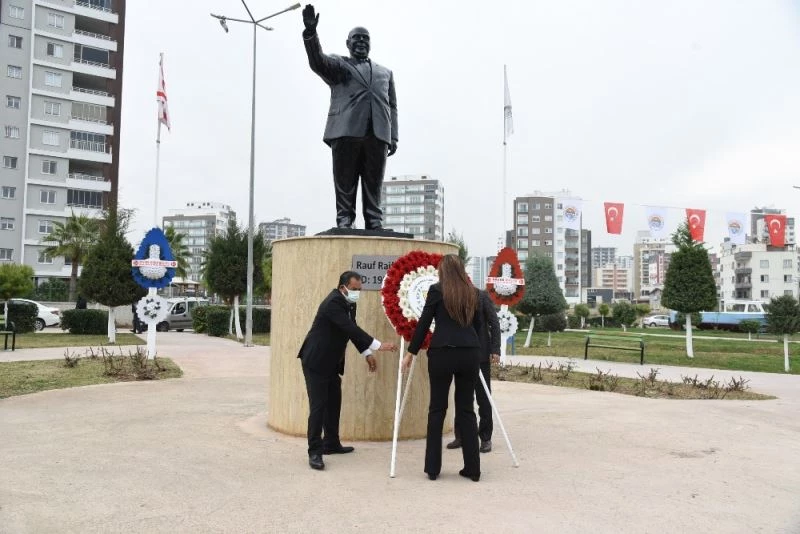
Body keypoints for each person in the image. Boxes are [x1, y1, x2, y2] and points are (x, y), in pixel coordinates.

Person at [301, 4, 398, 230]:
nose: (361, 41)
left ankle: (374, 221)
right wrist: (311, 34)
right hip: (346, 132)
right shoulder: (340, 65)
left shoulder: (385, 72)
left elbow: (393, 106)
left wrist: (393, 136)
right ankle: (344, 220)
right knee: (345, 181)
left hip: (378, 133)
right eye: (356, 38)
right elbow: (318, 62)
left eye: (365, 38)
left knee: (374, 182)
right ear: (348, 43)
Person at [298, 270, 397, 471]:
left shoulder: (349, 303)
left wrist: (367, 353)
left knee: (334, 402)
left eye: (359, 290)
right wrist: (377, 345)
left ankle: (331, 443)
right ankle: (315, 452)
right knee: (318, 407)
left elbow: (350, 329)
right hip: (316, 361)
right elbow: (350, 328)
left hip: (332, 362)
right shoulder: (333, 302)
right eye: (354, 289)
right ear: (343, 287)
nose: (357, 293)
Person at [403, 255, 484, 482]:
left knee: (437, 409)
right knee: (467, 409)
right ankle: (473, 469)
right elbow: (479, 327)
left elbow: (424, 323)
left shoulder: (437, 290)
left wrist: (411, 352)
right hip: (470, 353)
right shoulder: (473, 292)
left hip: (442, 353)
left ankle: (433, 468)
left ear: (443, 271)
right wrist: (480, 354)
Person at [447, 290, 500, 453]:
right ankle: (461, 435)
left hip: (481, 355)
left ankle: (485, 438)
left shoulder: (481, 296)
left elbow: (494, 322)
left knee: (483, 398)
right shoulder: (453, 296)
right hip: (460, 354)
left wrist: (495, 349)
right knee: (462, 396)